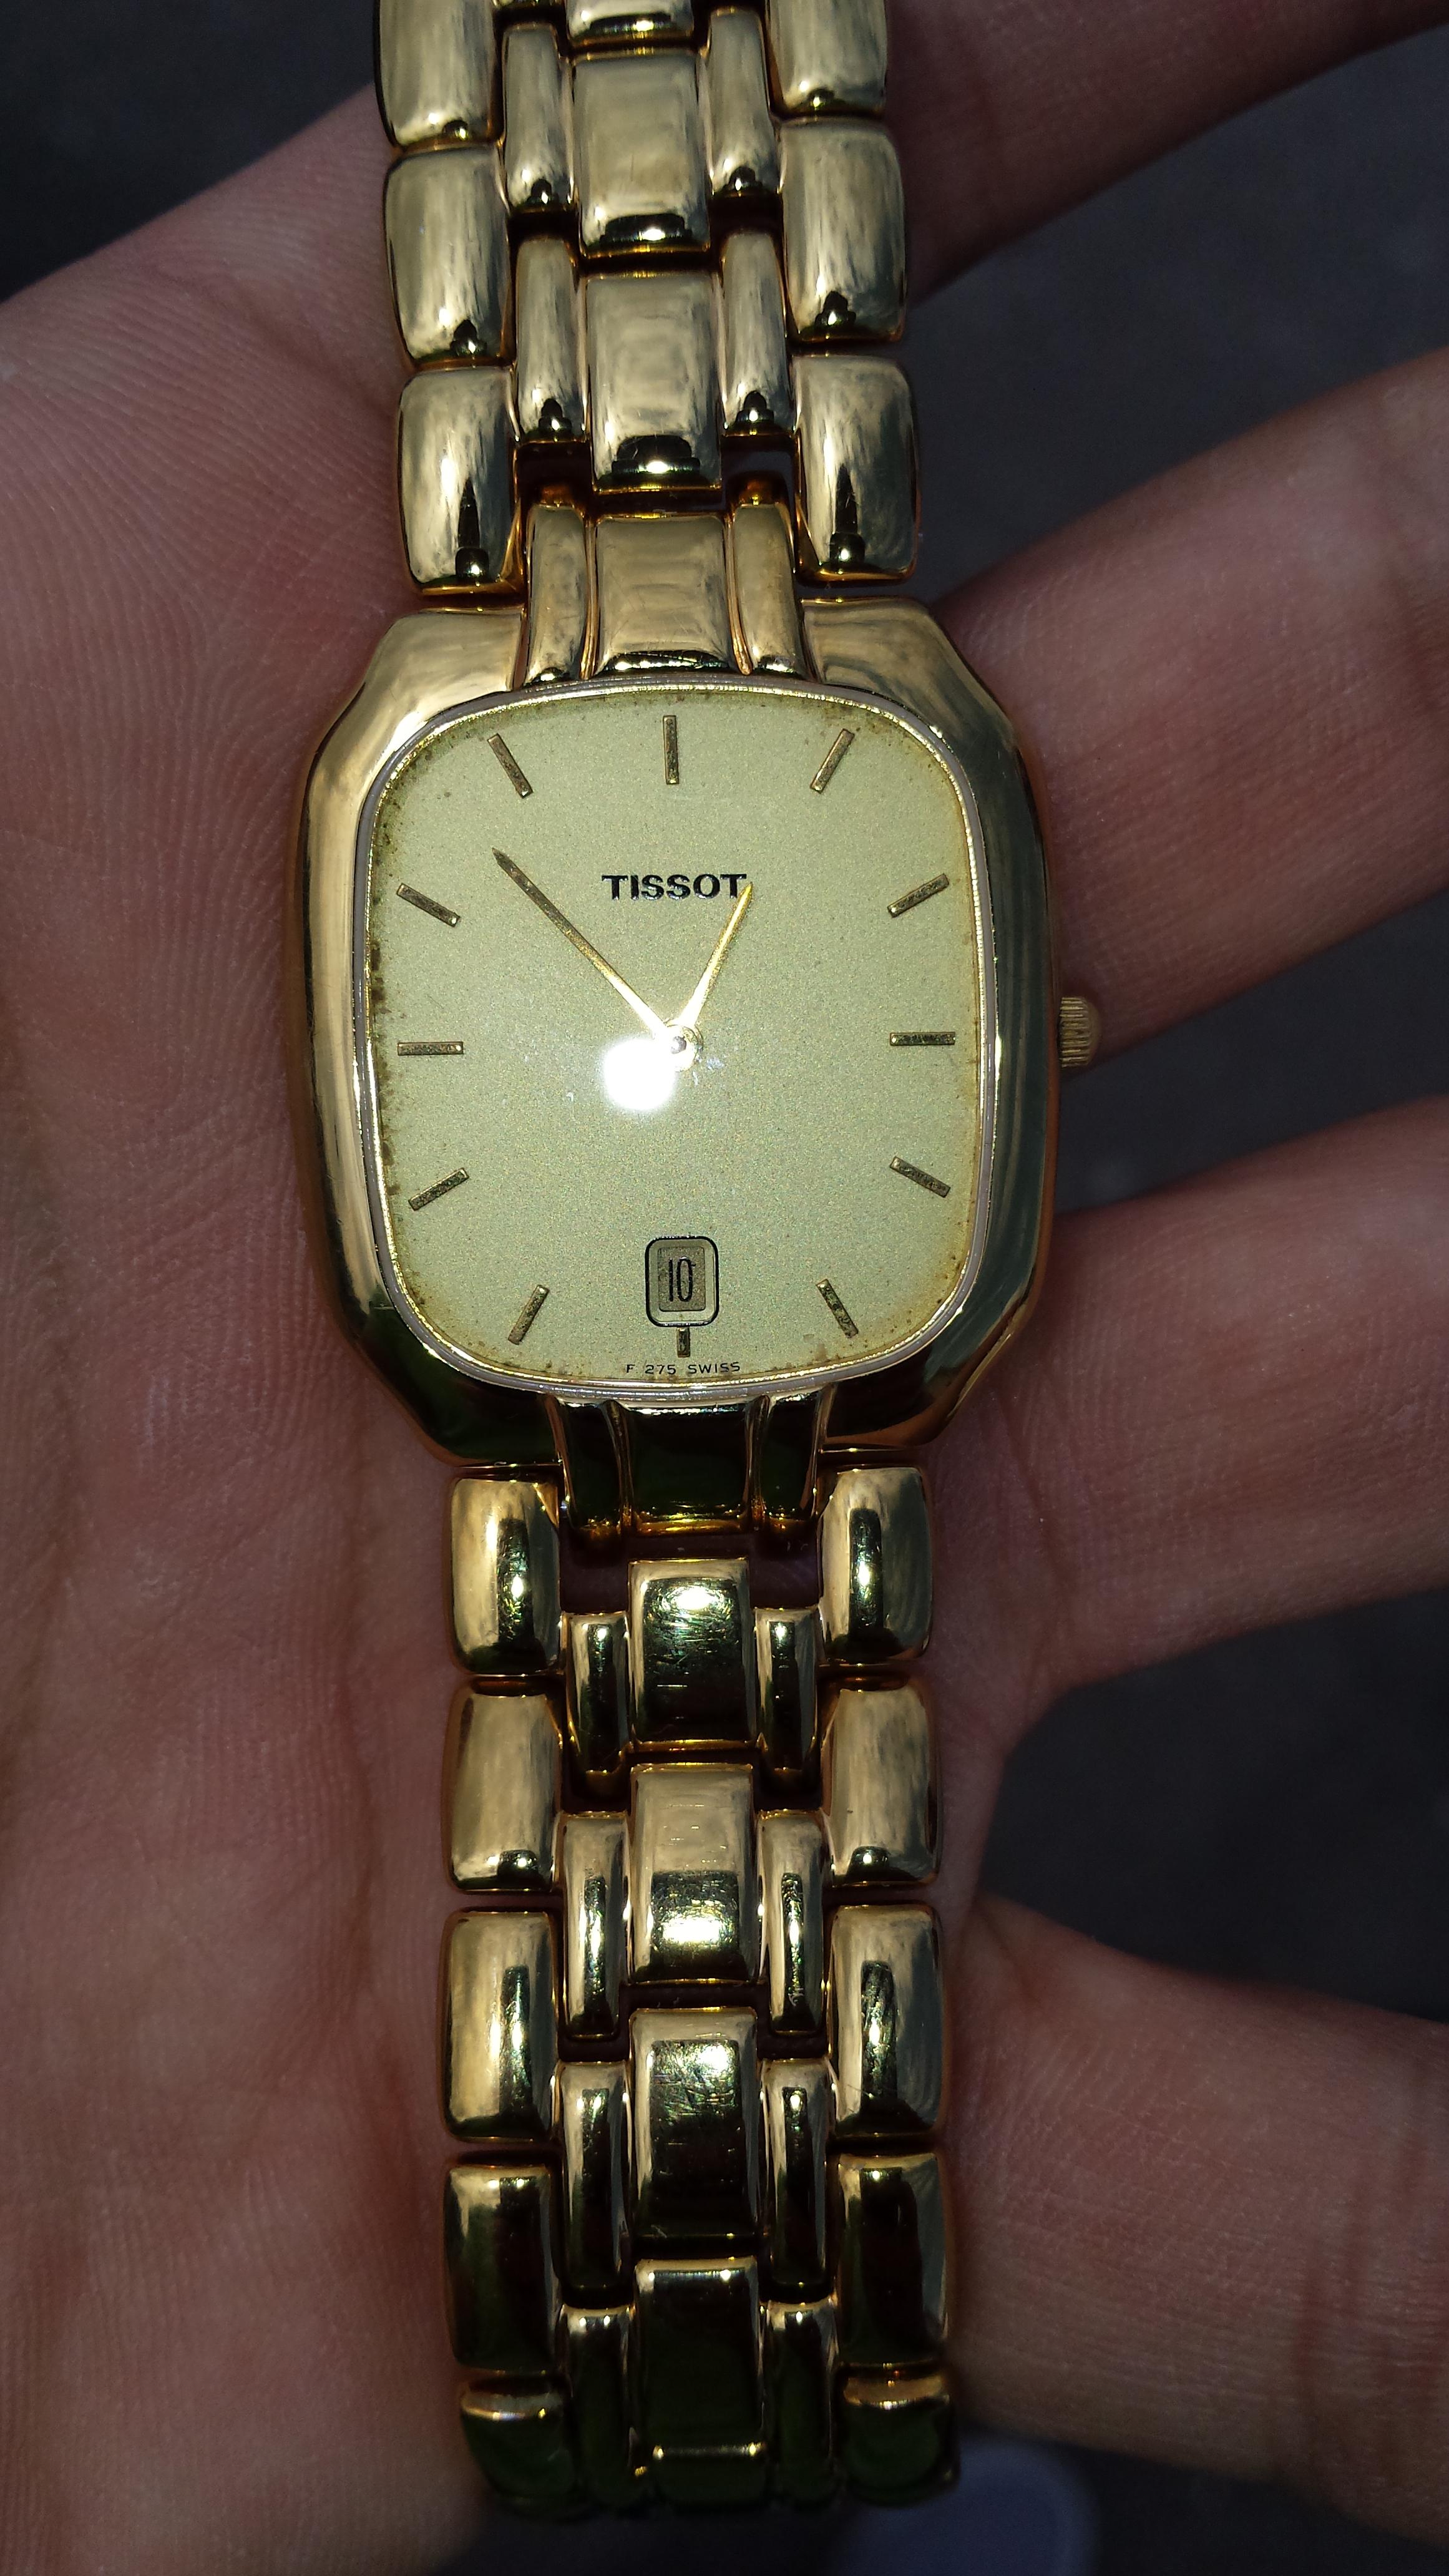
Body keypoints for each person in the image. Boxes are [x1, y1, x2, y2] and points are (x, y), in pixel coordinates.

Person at [1, 3, 1447, 2565]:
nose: (667, 1033)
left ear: (1019, 1040)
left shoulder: (604, 737)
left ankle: (742, 2396)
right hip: (587, 1382)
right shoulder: (474, 737)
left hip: (753, 1387)